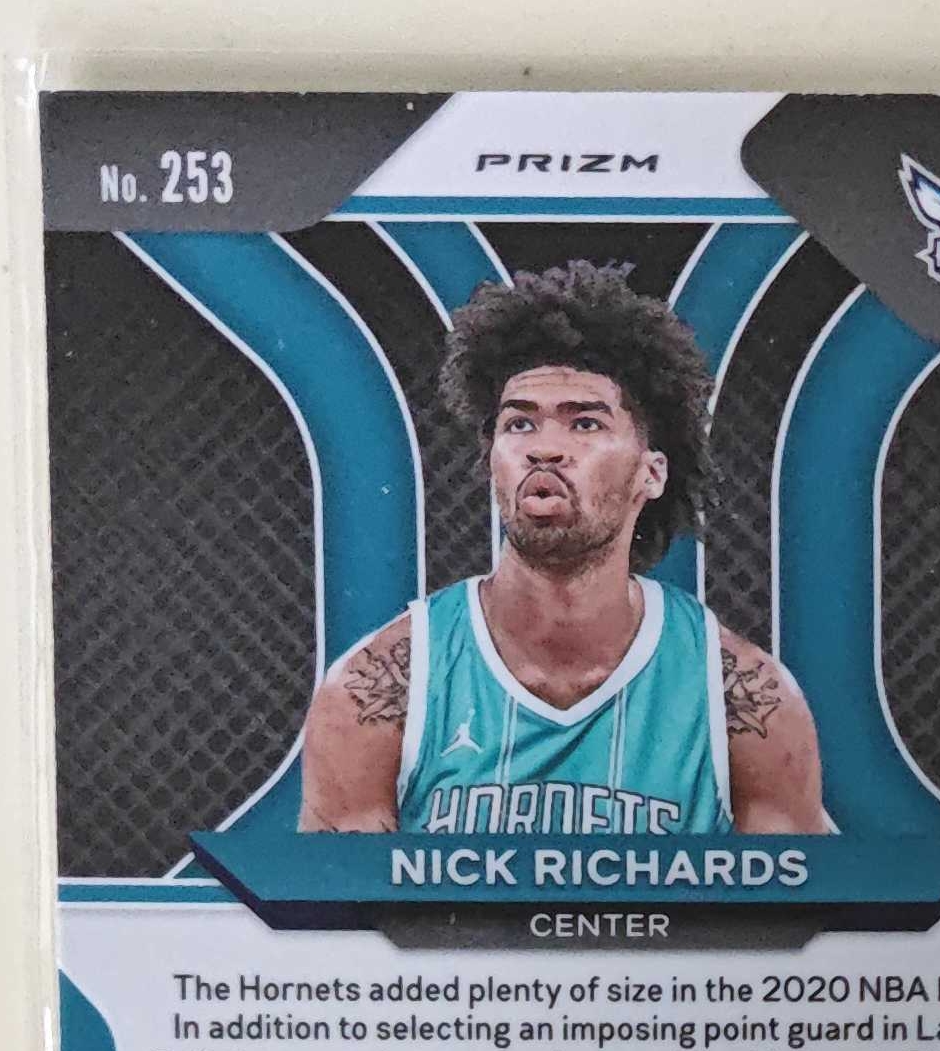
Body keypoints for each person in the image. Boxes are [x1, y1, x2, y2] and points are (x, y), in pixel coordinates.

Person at [299, 261, 823, 835]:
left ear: (651, 474)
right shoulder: (378, 688)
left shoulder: (745, 698)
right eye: (520, 425)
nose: (544, 448)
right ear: (492, 462)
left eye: (585, 424)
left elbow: (794, 894)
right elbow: (342, 898)